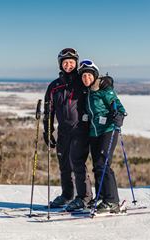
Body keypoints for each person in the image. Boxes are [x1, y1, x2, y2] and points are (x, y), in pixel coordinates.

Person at [43, 48, 113, 211]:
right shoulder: (54, 86)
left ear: (76, 63)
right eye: (65, 62)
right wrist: (47, 131)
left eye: (71, 62)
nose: (68, 65)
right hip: (63, 131)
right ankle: (67, 195)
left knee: (77, 162)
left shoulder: (82, 81)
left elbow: (97, 81)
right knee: (64, 164)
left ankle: (84, 197)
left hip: (81, 129)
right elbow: (49, 111)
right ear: (60, 65)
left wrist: (107, 81)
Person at [79, 59, 127, 213]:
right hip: (94, 132)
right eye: (83, 76)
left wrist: (119, 115)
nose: (86, 78)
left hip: (108, 130)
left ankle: (112, 201)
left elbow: (118, 105)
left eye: (89, 75)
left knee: (103, 164)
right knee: (97, 166)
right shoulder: (87, 92)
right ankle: (101, 195)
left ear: (95, 76)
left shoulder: (104, 89)